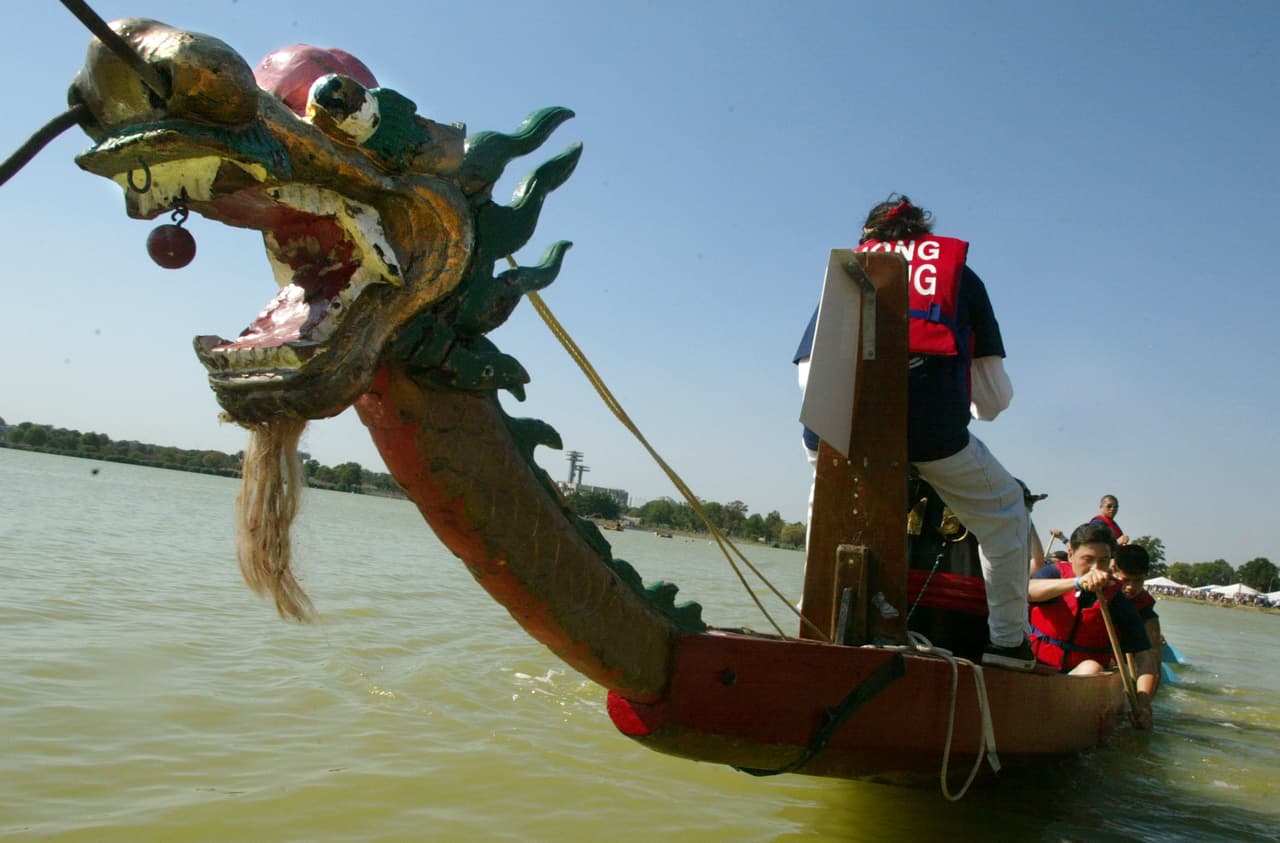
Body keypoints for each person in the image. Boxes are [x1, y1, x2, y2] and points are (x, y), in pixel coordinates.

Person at [794, 194, 1033, 671]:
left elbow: (806, 376)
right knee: (1007, 514)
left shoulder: (847, 271)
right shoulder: (959, 274)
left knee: (828, 518)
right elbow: (994, 398)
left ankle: (813, 621)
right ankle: (1008, 646)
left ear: (869, 237)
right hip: (929, 434)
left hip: (833, 432)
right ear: (924, 235)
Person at [1028, 522, 1158, 728]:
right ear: (1071, 555)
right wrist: (1078, 582)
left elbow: (1145, 658)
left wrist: (1143, 703)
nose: (1096, 569)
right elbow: (1027, 590)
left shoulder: (1117, 601)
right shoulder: (1053, 574)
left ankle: (1053, 721)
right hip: (1034, 667)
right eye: (1088, 560)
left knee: (1092, 667)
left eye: (1103, 561)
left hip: (1078, 682)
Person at [1112, 543, 1165, 692]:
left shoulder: (1147, 613)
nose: (1131, 587)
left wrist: (1145, 703)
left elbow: (1154, 662)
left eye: (1138, 581)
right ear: (1113, 569)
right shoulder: (1099, 591)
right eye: (1125, 580)